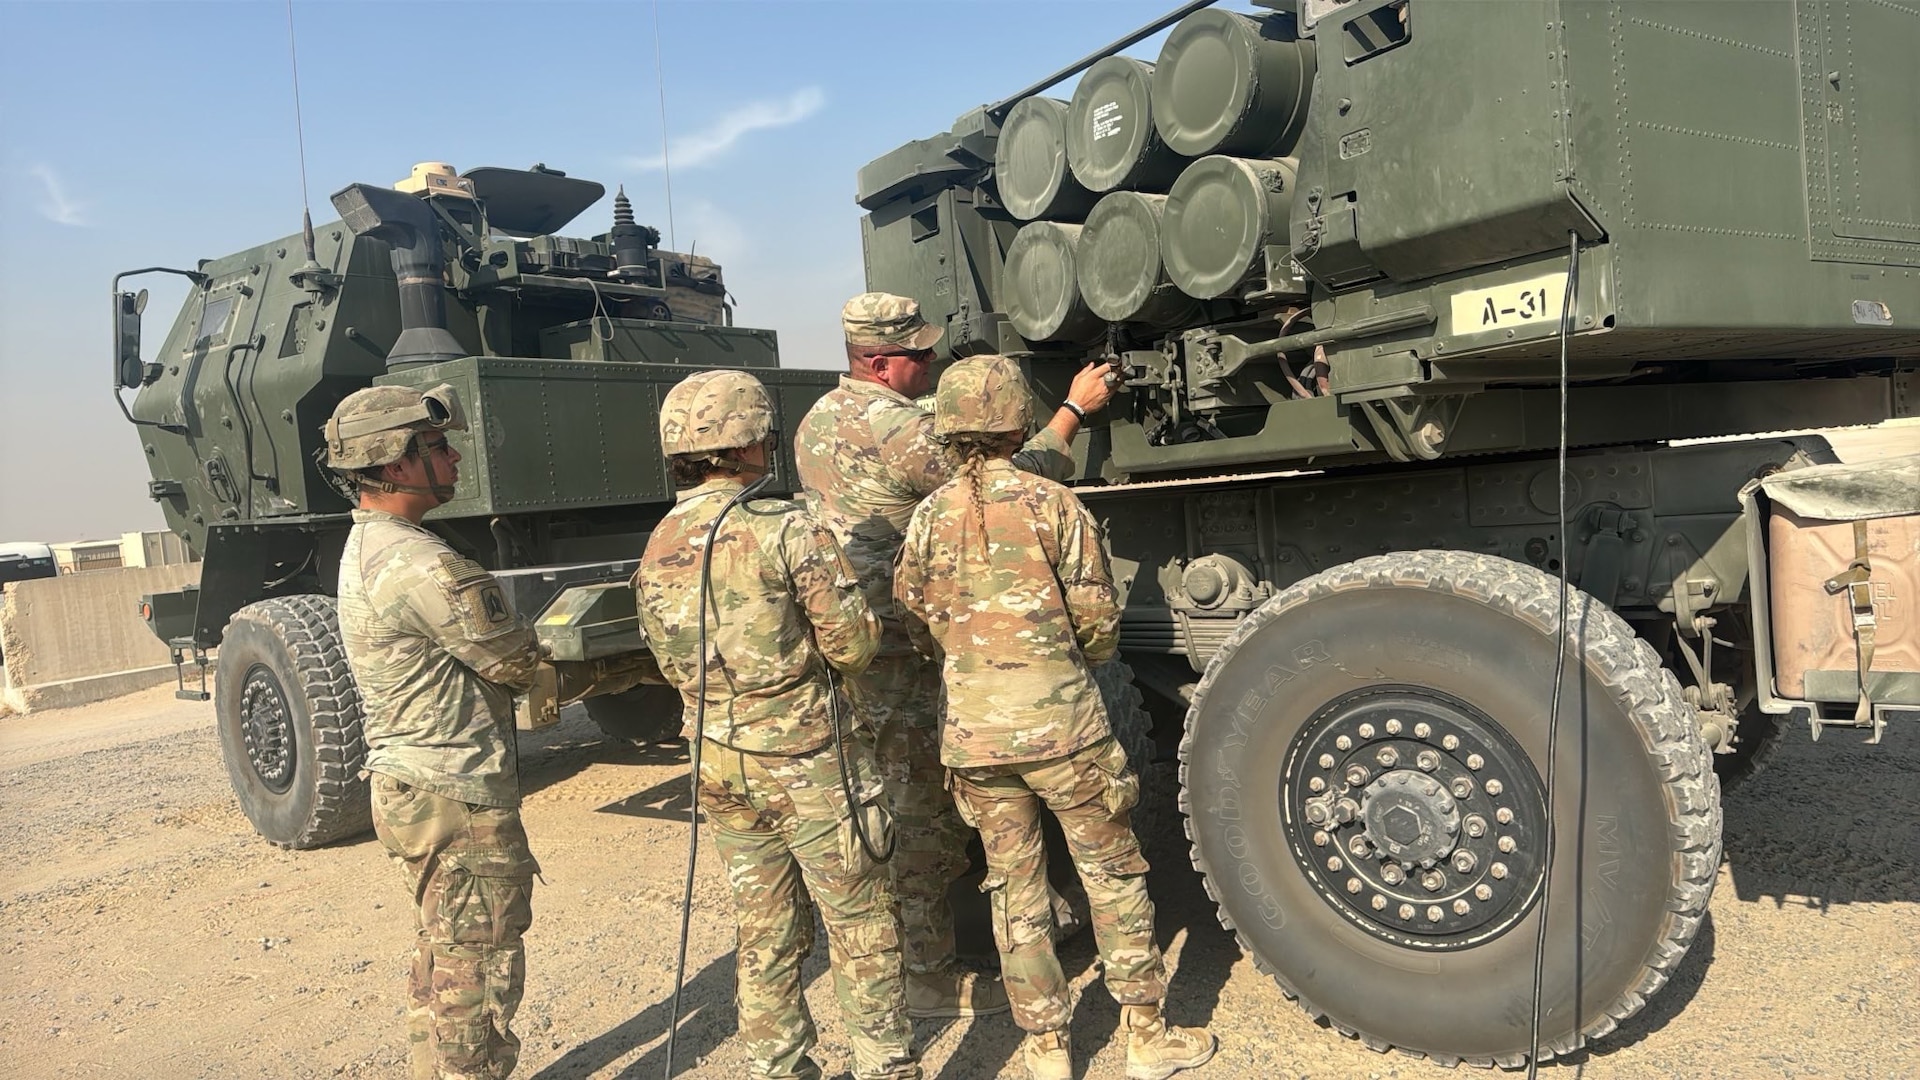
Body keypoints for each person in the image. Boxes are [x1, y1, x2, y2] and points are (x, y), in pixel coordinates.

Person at [793, 292, 1115, 1018]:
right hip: (908, 644)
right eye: (919, 355)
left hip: (863, 638)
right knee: (921, 814)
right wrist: (1074, 409)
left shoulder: (816, 419)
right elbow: (1000, 482)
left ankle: (927, 962)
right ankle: (927, 978)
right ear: (877, 362)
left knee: (900, 796)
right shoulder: (895, 427)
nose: (933, 363)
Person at [894, 357, 1216, 1080]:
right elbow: (1099, 625)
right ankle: (1144, 1034)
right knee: (1113, 873)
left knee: (1014, 889)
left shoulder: (926, 518)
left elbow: (916, 623)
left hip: (975, 738)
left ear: (948, 428)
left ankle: (1045, 1048)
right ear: (1015, 422)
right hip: (1066, 731)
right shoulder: (1053, 504)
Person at [634, 369, 920, 1080]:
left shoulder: (659, 540)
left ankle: (777, 1065)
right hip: (807, 760)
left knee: (764, 929)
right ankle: (885, 1067)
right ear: (752, 444)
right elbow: (852, 646)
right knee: (861, 927)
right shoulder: (785, 528)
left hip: (718, 762)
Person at [328, 383, 604, 1080]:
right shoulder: (421, 563)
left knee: (445, 963)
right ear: (392, 463)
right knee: (476, 975)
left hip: (416, 788)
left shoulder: (376, 547)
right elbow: (514, 660)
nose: (452, 458)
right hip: (454, 798)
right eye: (436, 447)